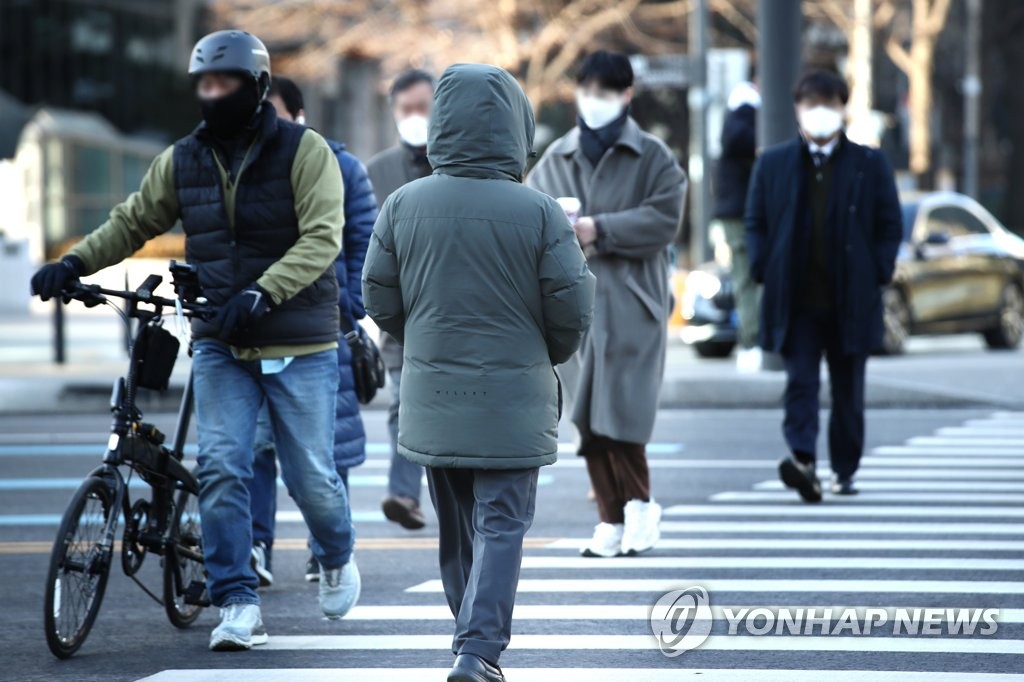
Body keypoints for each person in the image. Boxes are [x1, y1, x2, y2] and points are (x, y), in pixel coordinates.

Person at [29, 30, 360, 651]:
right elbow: (134, 220)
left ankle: (337, 554)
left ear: (256, 87)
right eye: (203, 85)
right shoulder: (183, 158)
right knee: (222, 468)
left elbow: (323, 238)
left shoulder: (303, 151)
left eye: (224, 83)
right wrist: (74, 263)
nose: (212, 94)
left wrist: (264, 292)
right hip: (219, 338)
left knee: (311, 475)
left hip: (300, 339)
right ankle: (237, 602)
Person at [363, 64, 595, 682]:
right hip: (513, 397)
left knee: (458, 528)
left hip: (434, 390)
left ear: (440, 125)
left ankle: (469, 639)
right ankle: (478, 650)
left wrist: (423, 340)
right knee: (502, 525)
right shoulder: (541, 212)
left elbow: (379, 298)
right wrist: (545, 351)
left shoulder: (403, 205)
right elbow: (572, 307)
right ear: (516, 128)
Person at [526, 50, 687, 559]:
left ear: (626, 96)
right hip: (575, 305)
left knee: (624, 412)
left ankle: (639, 506)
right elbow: (531, 215)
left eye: (605, 92)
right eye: (587, 90)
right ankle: (610, 519)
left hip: (632, 303)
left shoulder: (654, 156)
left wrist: (602, 229)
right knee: (587, 416)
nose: (593, 101)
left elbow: (665, 218)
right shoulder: (556, 158)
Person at [745, 70, 902, 502]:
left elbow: (890, 225)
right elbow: (755, 222)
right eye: (811, 103)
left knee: (848, 389)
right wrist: (762, 266)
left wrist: (880, 269)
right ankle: (803, 461)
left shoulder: (868, 164)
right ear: (797, 109)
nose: (819, 113)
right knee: (801, 384)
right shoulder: (773, 163)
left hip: (852, 298)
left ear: (843, 108)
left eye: (829, 104)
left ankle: (845, 468)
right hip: (796, 299)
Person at [247, 75, 377, 587]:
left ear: (298, 115)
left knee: (326, 444)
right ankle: (256, 544)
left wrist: (351, 303)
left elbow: (364, 235)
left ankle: (327, 547)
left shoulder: (340, 165)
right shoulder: (245, 164)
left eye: (274, 112)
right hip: (259, 323)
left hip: (326, 323)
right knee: (254, 446)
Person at [365, 69, 436, 531]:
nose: (415, 117)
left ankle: (451, 493)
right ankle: (404, 493)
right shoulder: (377, 172)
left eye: (424, 107)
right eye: (406, 108)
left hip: (454, 312)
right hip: (401, 315)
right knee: (403, 404)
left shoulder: (462, 163)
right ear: (393, 112)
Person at [712, 79, 761, 372]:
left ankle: (752, 338)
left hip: (734, 213)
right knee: (748, 278)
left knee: (746, 278)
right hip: (744, 213)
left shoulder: (734, 120)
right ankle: (753, 339)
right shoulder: (746, 118)